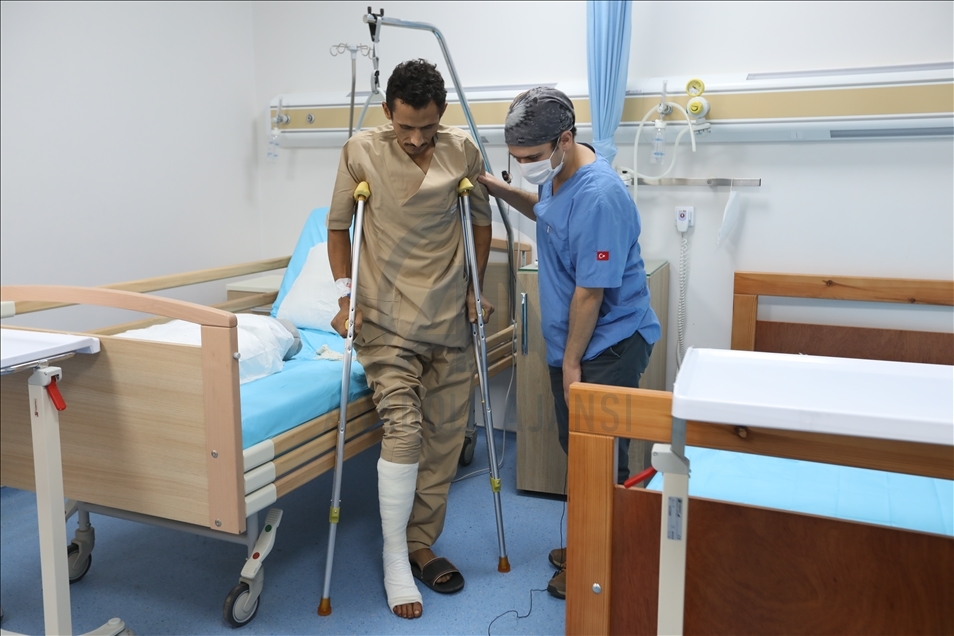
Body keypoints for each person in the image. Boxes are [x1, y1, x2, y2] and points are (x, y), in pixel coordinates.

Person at [326, 59, 493, 620]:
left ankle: (420, 543)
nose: (417, 139)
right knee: (405, 427)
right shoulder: (360, 152)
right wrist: (346, 299)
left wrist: (474, 289)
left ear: (441, 115)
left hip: (447, 317)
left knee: (443, 438)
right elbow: (338, 227)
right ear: (387, 113)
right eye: (405, 127)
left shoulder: (463, 151)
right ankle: (395, 556)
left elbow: (480, 222)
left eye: (427, 127)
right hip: (384, 319)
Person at [477, 87, 660, 600]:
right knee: (580, 451)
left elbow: (590, 293)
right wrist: (498, 189)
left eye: (531, 158)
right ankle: (591, 540)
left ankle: (598, 560)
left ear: (564, 139)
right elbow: (547, 212)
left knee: (599, 457)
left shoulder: (599, 195)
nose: (525, 167)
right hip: (578, 342)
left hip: (608, 343)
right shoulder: (559, 174)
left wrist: (573, 364)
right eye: (516, 160)